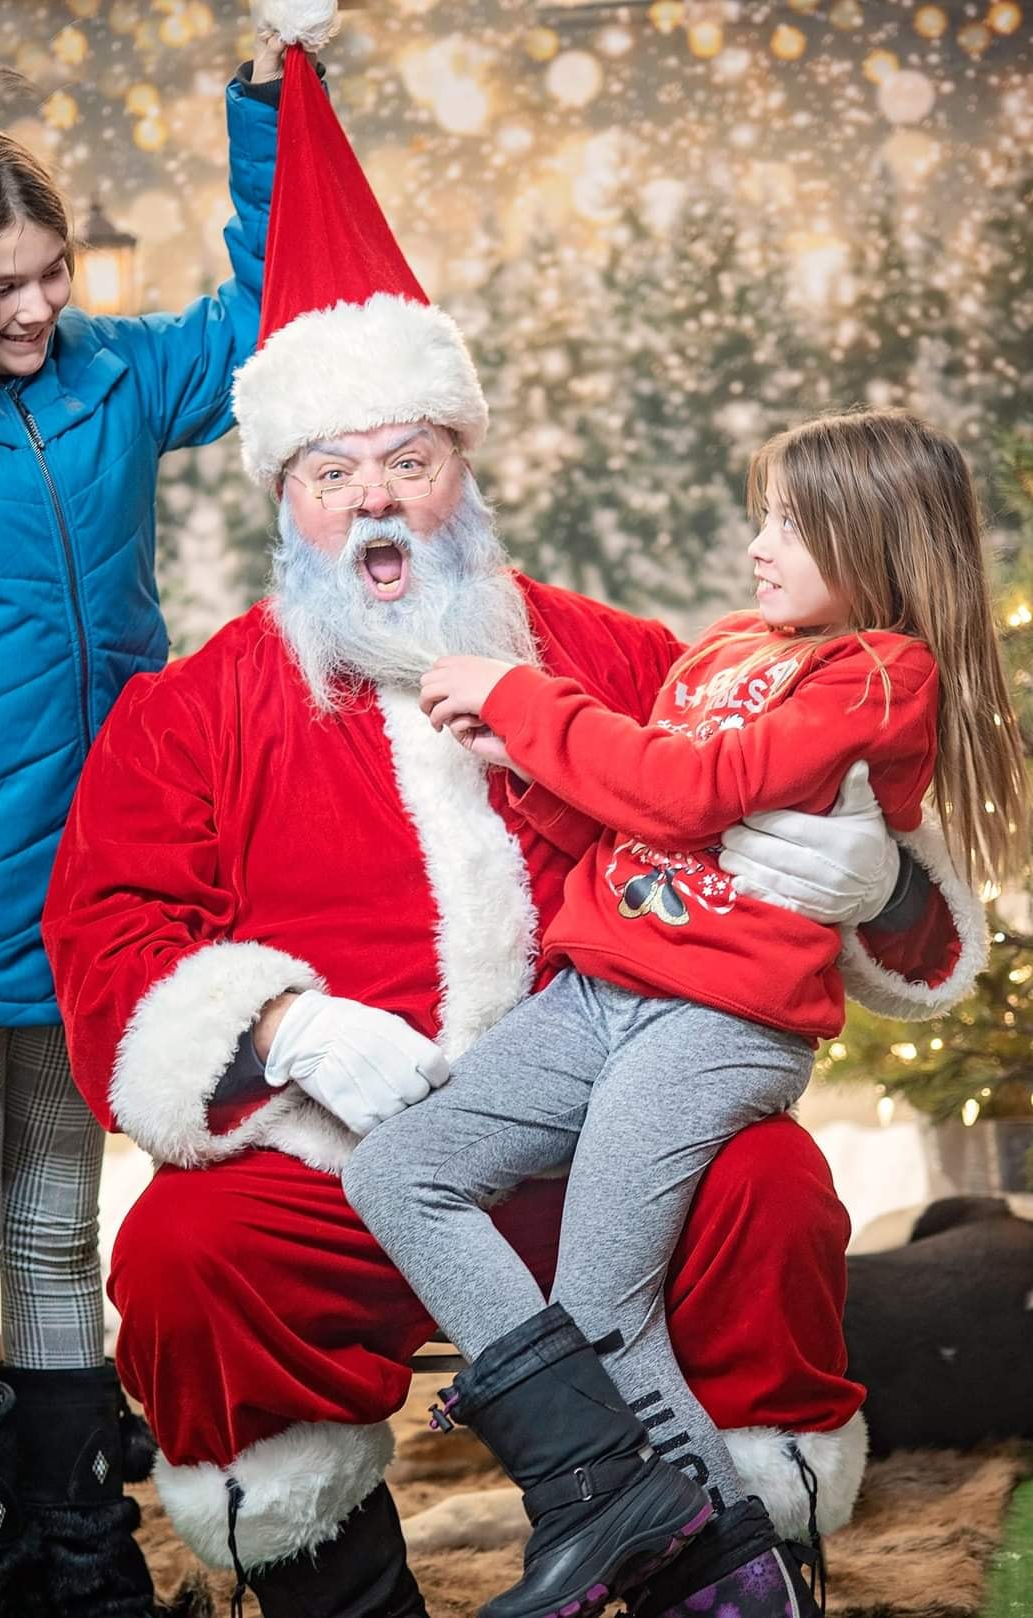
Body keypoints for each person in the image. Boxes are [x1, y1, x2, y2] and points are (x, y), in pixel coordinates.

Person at [41, 36, 987, 1618]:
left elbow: (803, 787)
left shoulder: (620, 659)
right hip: (340, 1151)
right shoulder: (191, 712)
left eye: (410, 460)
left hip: (603, 1121)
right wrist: (280, 1029)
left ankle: (720, 1559)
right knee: (190, 1258)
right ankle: (359, 1589)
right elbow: (113, 934)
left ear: (464, 467)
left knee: (765, 1189)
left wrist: (892, 883)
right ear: (285, 495)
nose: (380, 504)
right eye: (336, 472)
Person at [343, 407, 1027, 1618]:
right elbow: (638, 823)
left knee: (608, 1306)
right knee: (399, 1169)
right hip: (601, 990)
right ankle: (598, 1483)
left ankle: (739, 1582)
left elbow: (691, 787)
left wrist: (525, 696)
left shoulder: (880, 674)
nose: (758, 542)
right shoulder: (722, 651)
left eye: (791, 523)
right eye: (761, 513)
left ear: (871, 540)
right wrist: (519, 756)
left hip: (720, 1021)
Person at [0, 13, 326, 1612]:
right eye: (7, 284)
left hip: (93, 895)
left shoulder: (112, 377)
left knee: (55, 1222)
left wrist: (264, 96)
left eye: (53, 271)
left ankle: (82, 1563)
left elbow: (265, 310)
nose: (44, 304)